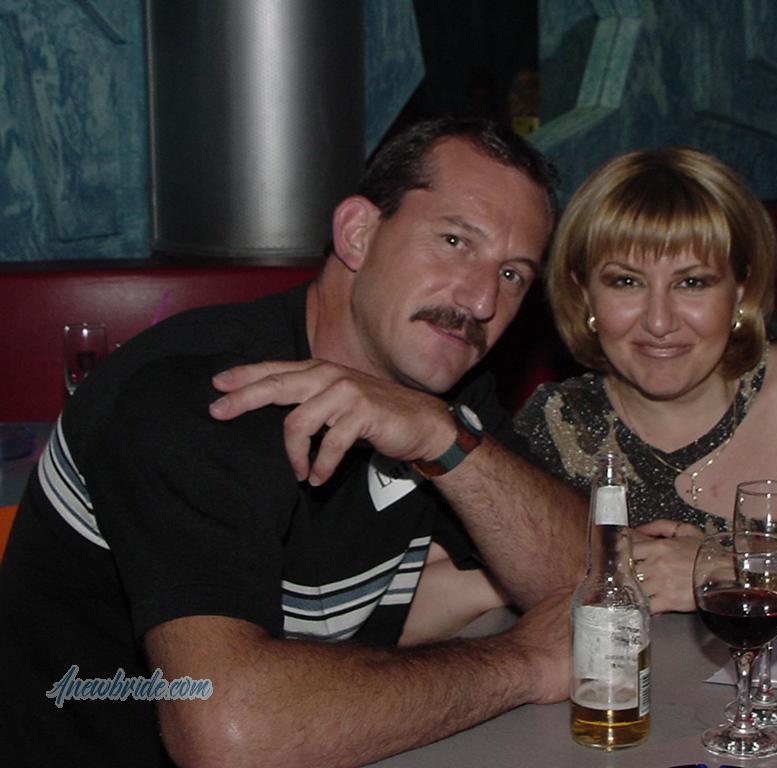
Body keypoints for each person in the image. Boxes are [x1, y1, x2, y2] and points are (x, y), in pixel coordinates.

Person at [0, 117, 585, 767]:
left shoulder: (447, 392)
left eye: (513, 275)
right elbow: (227, 731)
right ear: (358, 233)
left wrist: (442, 439)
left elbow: (591, 584)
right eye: (455, 241)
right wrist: (522, 664)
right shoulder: (200, 400)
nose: (481, 301)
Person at [512, 146, 777, 616]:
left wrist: (732, 573)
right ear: (584, 294)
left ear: (741, 290)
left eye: (692, 282)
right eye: (626, 282)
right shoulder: (557, 425)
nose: (659, 321)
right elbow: (469, 589)